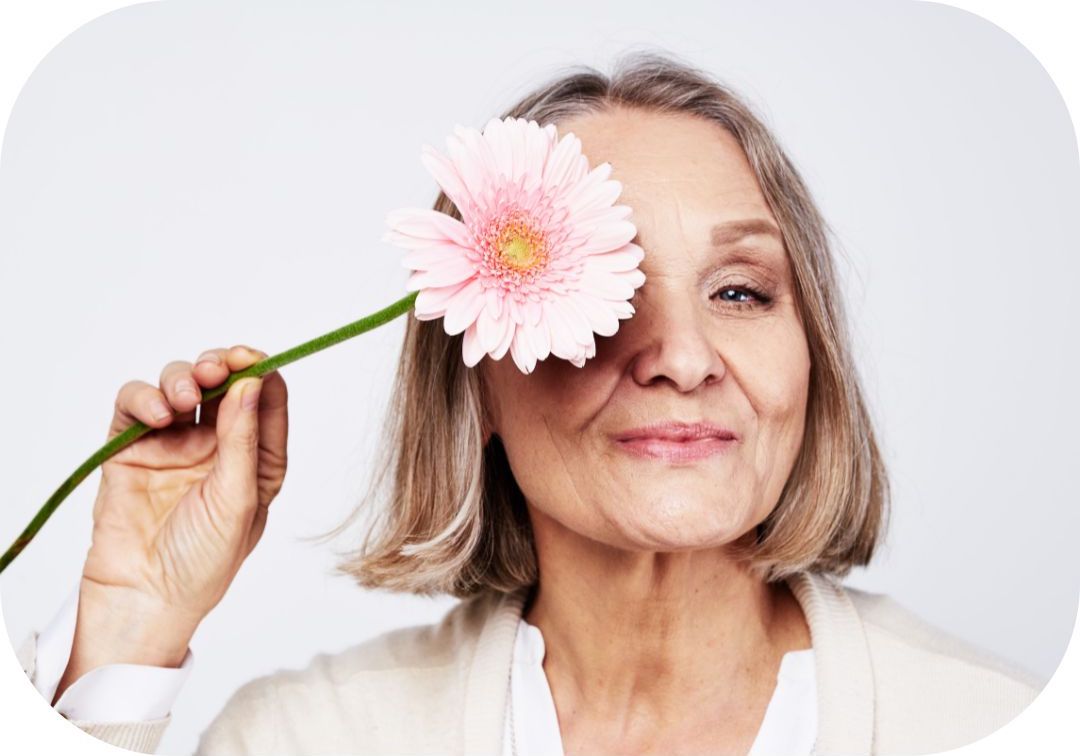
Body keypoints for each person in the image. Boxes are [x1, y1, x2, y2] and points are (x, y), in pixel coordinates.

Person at [14, 51, 1044, 755]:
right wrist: (125, 630)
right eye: (613, 293)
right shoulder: (310, 737)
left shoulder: (991, 726)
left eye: (740, 291)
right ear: (478, 383)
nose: (683, 357)